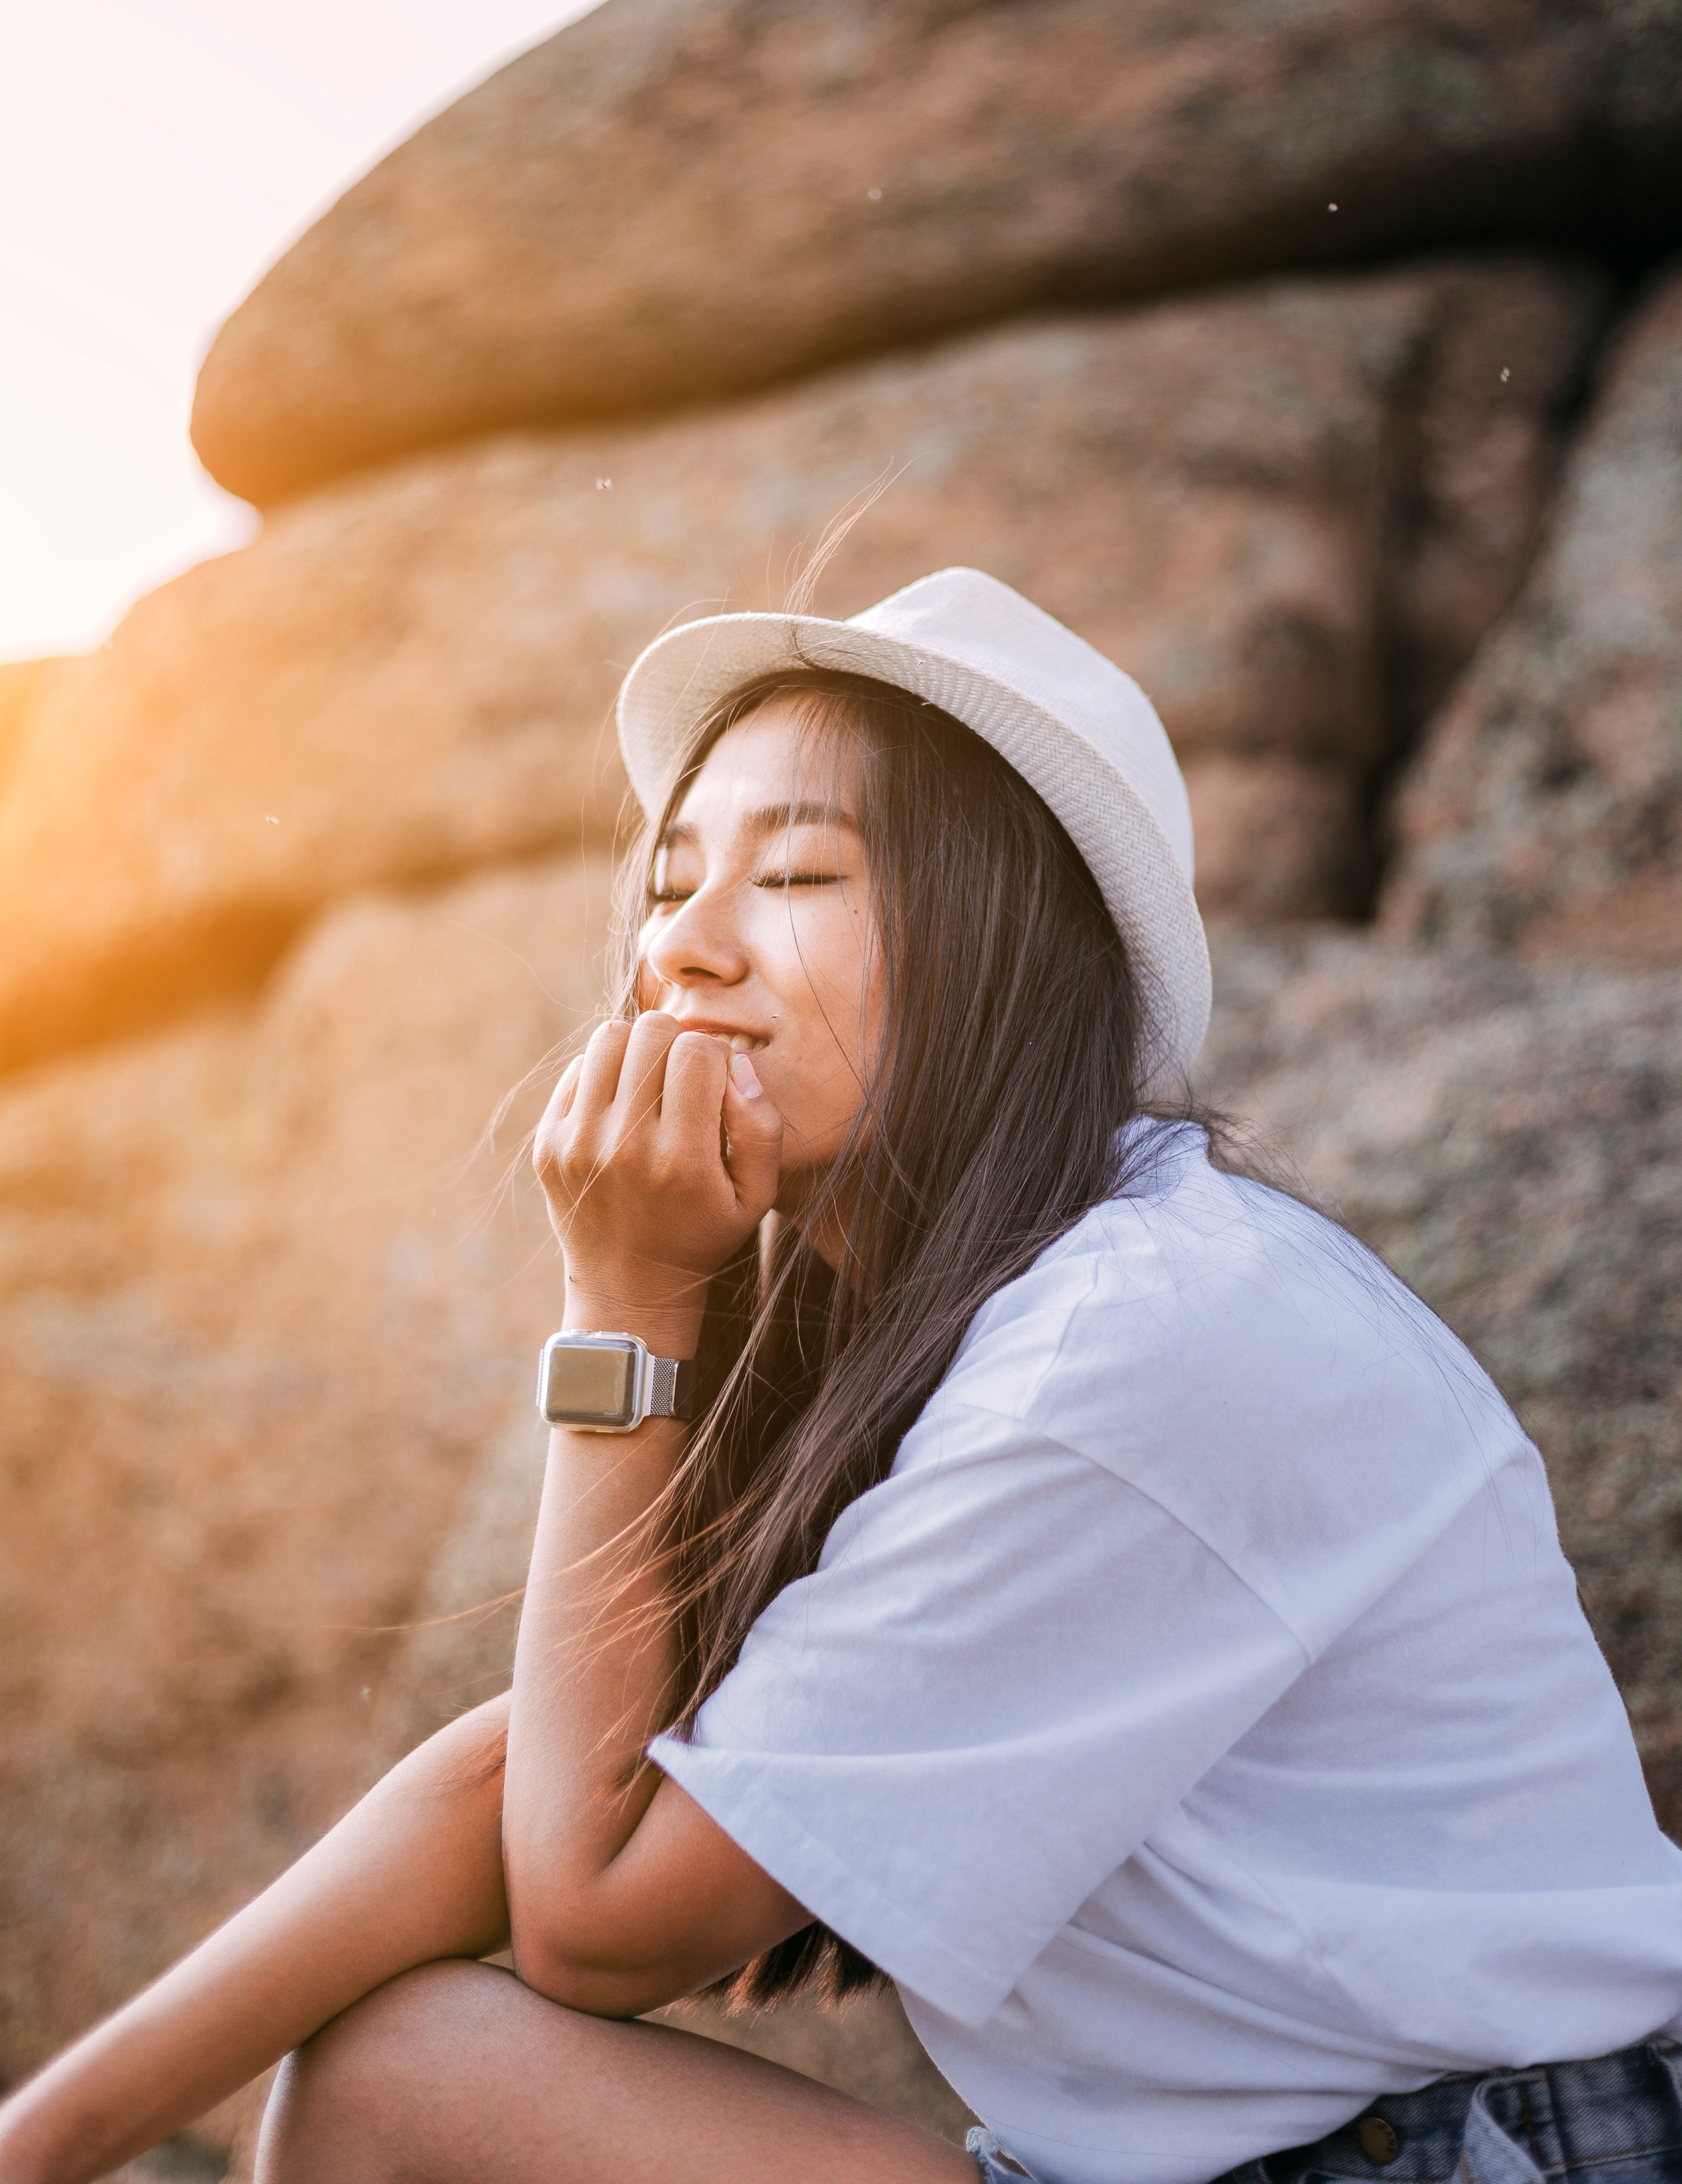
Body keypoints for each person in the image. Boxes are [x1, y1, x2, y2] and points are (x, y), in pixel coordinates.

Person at [2, 566, 1680, 2184]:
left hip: (1493, 2159)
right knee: (400, 2078)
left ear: (1001, 949)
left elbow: (594, 1925)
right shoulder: (950, 1330)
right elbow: (514, 1782)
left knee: (420, 2080)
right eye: (668, 888)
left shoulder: (1129, 1345)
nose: (686, 953)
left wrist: (624, 1300)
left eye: (795, 880)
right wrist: (44, 2141)